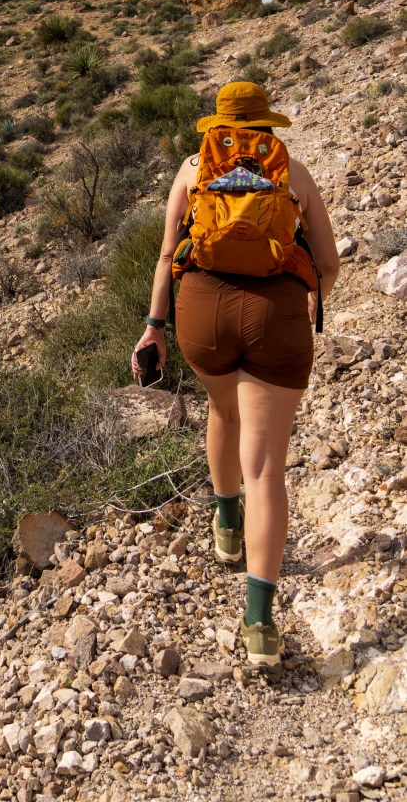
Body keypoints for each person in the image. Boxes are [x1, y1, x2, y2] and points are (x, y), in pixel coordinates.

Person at [132, 80, 340, 670]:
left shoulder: (193, 168)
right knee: (267, 464)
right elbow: (328, 262)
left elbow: (169, 252)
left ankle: (226, 524)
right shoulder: (292, 172)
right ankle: (259, 621)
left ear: (218, 124)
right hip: (275, 315)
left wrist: (154, 327)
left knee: (222, 410)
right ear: (267, 125)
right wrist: (309, 297)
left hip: (202, 310)